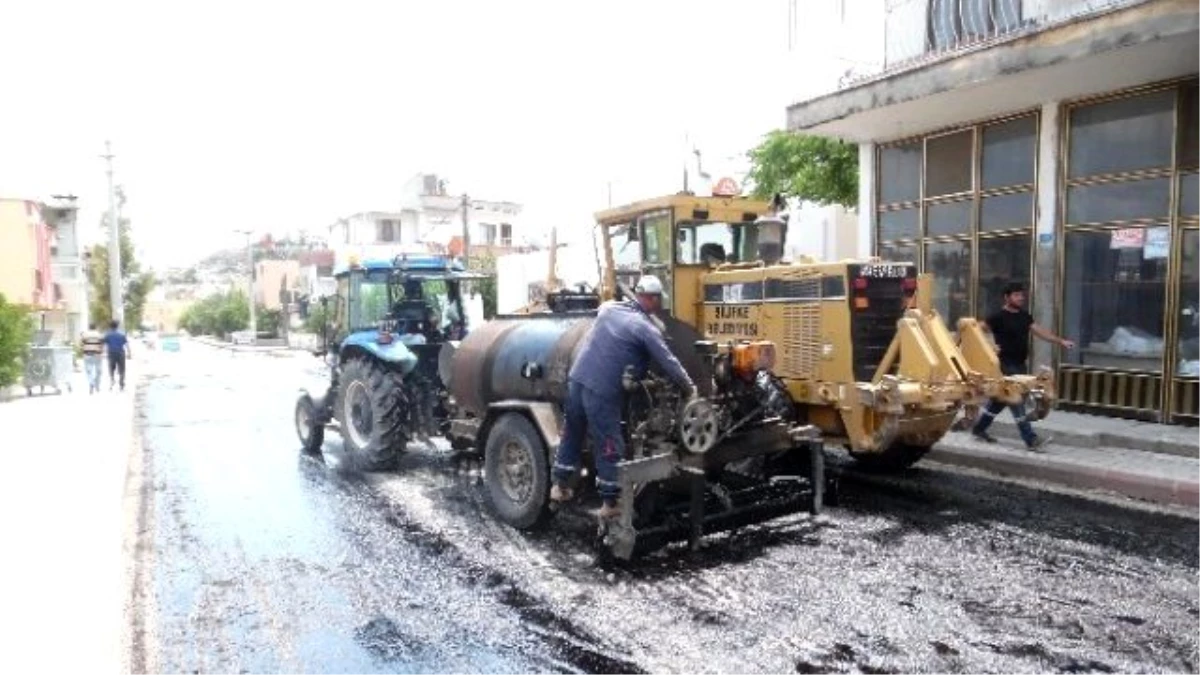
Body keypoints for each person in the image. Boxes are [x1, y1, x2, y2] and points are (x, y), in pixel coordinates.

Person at [550, 275, 698, 519]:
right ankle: (611, 503)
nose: (659, 305)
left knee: (572, 432)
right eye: (658, 300)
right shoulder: (644, 328)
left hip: (577, 379)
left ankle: (560, 486)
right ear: (651, 299)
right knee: (608, 442)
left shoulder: (609, 310)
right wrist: (689, 387)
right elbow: (668, 361)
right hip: (602, 389)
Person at [972, 281, 1074, 450]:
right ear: (1007, 297)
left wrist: (1060, 341)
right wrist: (989, 346)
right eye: (1017, 295)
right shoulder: (997, 317)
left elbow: (1040, 332)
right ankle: (1031, 440)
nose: (1021, 298)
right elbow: (975, 331)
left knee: (999, 400)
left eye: (1022, 295)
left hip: (1020, 365)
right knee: (1016, 400)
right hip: (1004, 365)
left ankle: (979, 428)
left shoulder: (1025, 316)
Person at [103, 320, 132, 392]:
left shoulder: (107, 334)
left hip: (111, 353)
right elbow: (127, 344)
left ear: (110, 326)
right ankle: (121, 384)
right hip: (120, 353)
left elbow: (104, 345)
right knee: (122, 369)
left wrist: (103, 353)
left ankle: (112, 380)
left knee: (111, 368)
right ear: (117, 326)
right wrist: (129, 353)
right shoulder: (122, 334)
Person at [80, 324, 105, 394]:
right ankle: (96, 384)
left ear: (89, 328)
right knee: (99, 371)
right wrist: (101, 351)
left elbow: (81, 344)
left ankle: (91, 383)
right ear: (95, 328)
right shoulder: (100, 335)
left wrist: (84, 349)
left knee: (89, 371)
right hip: (97, 354)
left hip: (87, 354)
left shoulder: (84, 335)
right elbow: (102, 345)